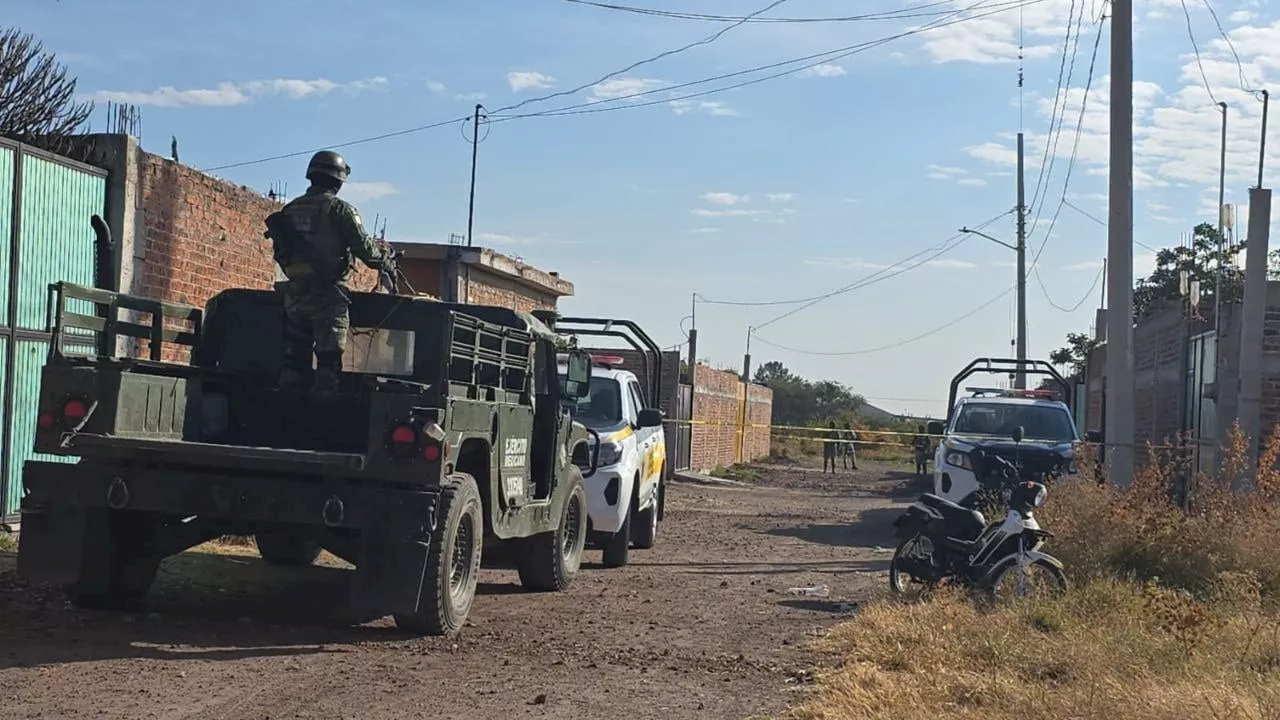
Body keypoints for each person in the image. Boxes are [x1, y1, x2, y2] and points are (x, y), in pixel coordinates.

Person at [269, 150, 396, 395]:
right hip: (328, 297)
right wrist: (385, 262)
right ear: (338, 181)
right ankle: (323, 414)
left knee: (294, 358)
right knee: (328, 360)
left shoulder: (290, 210)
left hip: (295, 295)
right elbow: (366, 251)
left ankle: (287, 405)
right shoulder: (340, 210)